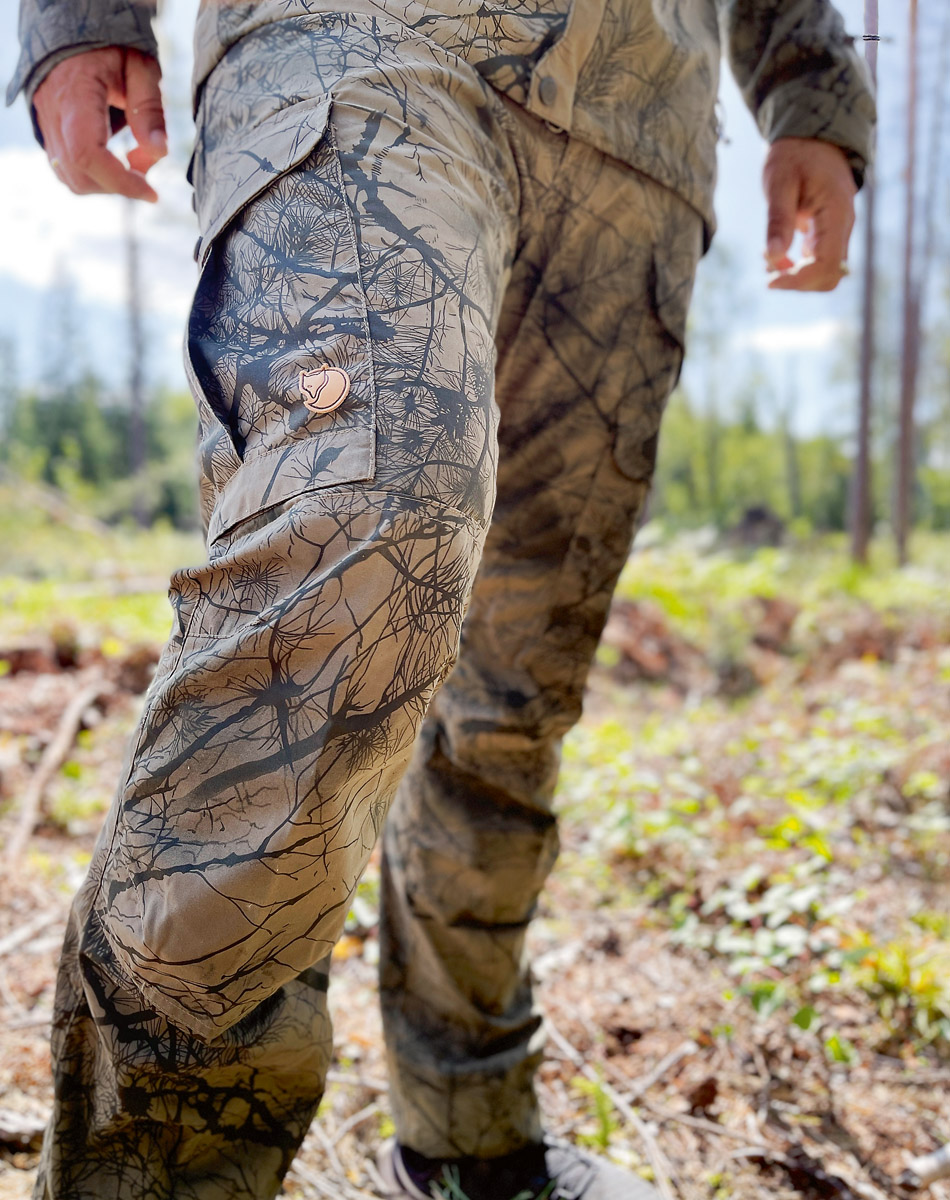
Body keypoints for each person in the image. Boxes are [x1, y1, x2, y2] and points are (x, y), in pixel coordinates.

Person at [8, 1, 874, 1197]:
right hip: (367, 41)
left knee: (514, 699)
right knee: (357, 558)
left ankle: (471, 1141)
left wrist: (810, 93)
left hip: (637, 137)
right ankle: (149, 1179)